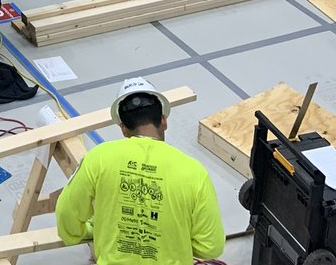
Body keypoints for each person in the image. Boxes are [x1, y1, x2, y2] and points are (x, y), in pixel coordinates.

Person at [56, 77, 225, 265]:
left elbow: (66, 217)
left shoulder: (99, 158)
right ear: (163, 120)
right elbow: (211, 246)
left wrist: (87, 232)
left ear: (123, 129)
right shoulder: (193, 172)